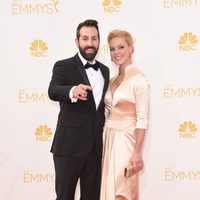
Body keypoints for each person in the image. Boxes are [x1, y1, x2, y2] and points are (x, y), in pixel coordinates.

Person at [48, 19, 110, 200]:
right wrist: (72, 91)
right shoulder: (63, 65)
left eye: (94, 38)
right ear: (77, 42)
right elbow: (53, 90)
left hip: (95, 150)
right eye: (85, 39)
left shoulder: (105, 71)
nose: (90, 43)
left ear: (99, 41)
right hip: (68, 147)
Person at [100, 30, 150, 200]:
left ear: (131, 48)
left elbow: (142, 119)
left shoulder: (139, 79)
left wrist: (137, 152)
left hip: (127, 141)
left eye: (121, 47)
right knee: (108, 189)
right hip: (109, 139)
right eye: (112, 49)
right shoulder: (111, 79)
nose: (116, 52)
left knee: (123, 191)